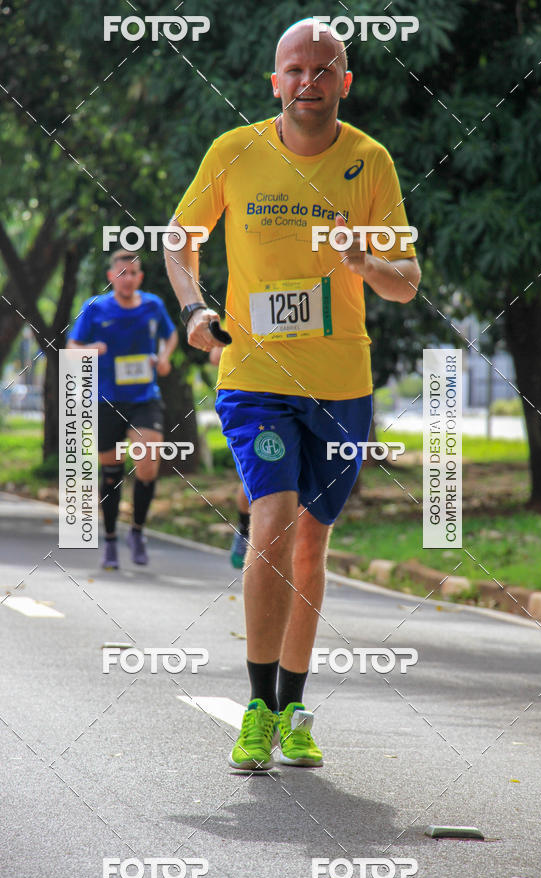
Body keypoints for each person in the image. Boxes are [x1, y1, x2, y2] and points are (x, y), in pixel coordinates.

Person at [165, 19, 420, 770]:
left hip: (340, 385)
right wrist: (193, 310)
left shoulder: (369, 161)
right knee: (272, 521)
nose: (308, 81)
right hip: (255, 380)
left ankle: (295, 706)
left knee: (312, 541)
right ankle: (256, 704)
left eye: (323, 69)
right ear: (273, 82)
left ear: (346, 82)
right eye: (294, 69)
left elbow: (406, 284)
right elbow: (179, 240)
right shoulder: (234, 152)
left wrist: (365, 262)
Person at [67, 251, 178, 569]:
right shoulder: (95, 307)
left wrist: (165, 356)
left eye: (133, 273)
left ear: (140, 278)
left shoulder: (153, 305)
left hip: (145, 397)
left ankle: (138, 532)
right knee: (112, 473)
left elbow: (171, 336)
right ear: (111, 277)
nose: (127, 279)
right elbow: (72, 347)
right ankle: (112, 540)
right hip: (106, 400)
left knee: (147, 463)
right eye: (122, 273)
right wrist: (91, 349)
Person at [209, 345, 250, 569]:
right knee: (255, 479)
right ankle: (244, 530)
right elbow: (216, 355)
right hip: (252, 398)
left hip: (300, 391)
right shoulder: (237, 317)